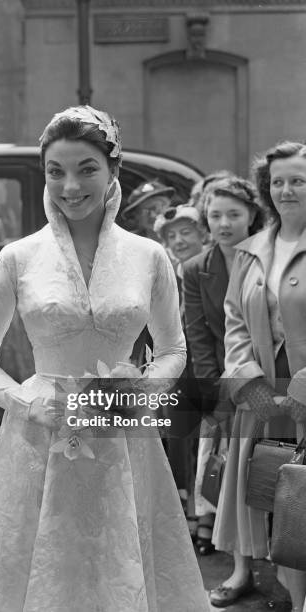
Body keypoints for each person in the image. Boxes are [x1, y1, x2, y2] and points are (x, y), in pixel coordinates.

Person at [0, 105, 209, 611]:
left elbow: (173, 349)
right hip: (39, 436)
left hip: (123, 434)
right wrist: (27, 403)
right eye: (56, 172)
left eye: (86, 169)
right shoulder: (19, 257)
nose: (70, 186)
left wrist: (139, 390)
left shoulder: (148, 256)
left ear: (113, 169)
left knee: (122, 565)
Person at [210, 141, 306, 611]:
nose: (286, 190)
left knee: (304, 505)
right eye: (278, 182)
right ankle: (287, 594)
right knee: (270, 498)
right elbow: (234, 321)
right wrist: (252, 384)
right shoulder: (250, 251)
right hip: (262, 401)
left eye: (298, 180)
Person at [182, 176, 265, 558]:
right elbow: (197, 335)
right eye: (215, 215)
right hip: (219, 374)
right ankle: (213, 525)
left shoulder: (268, 257)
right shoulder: (196, 268)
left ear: (252, 215)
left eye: (234, 214)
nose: (224, 223)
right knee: (217, 454)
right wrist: (214, 387)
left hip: (266, 373)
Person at [153, 205, 207, 538]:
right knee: (177, 437)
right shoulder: (165, 272)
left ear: (203, 234)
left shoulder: (212, 268)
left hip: (208, 364)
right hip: (175, 367)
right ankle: (184, 509)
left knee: (210, 441)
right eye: (171, 236)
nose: (179, 240)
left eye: (186, 232)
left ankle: (207, 515)